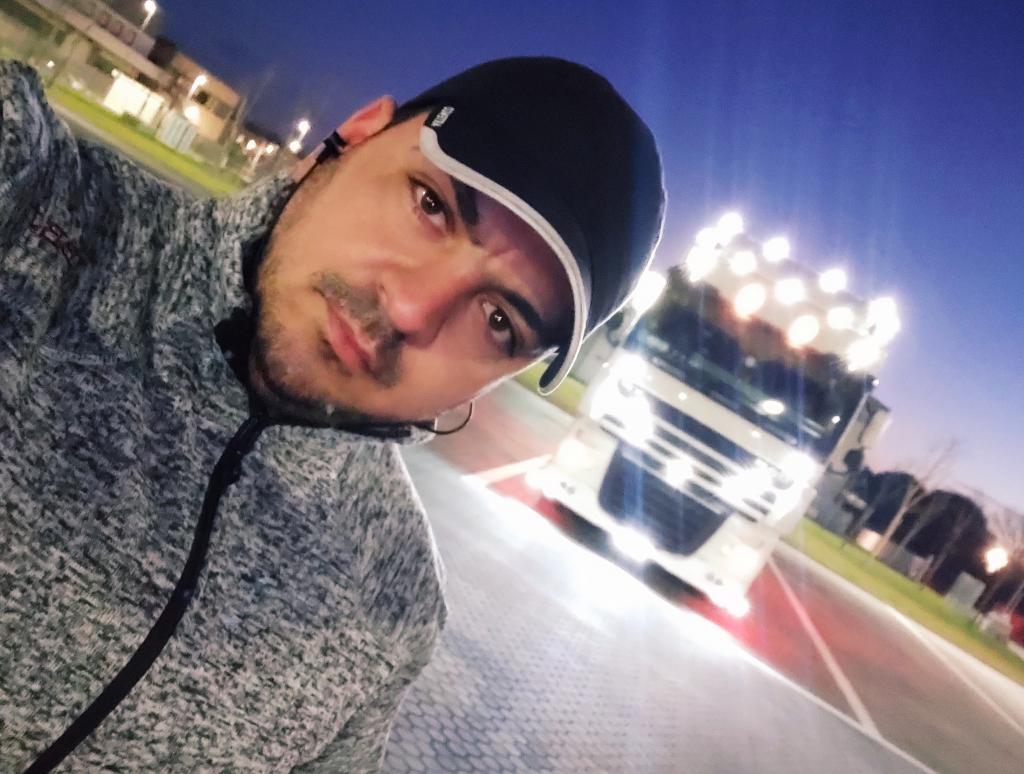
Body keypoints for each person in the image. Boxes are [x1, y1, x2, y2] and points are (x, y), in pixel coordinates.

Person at [0, 55, 664, 771]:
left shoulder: (395, 603)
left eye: (499, 320)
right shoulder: (40, 212)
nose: (410, 310)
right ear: (358, 131)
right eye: (431, 205)